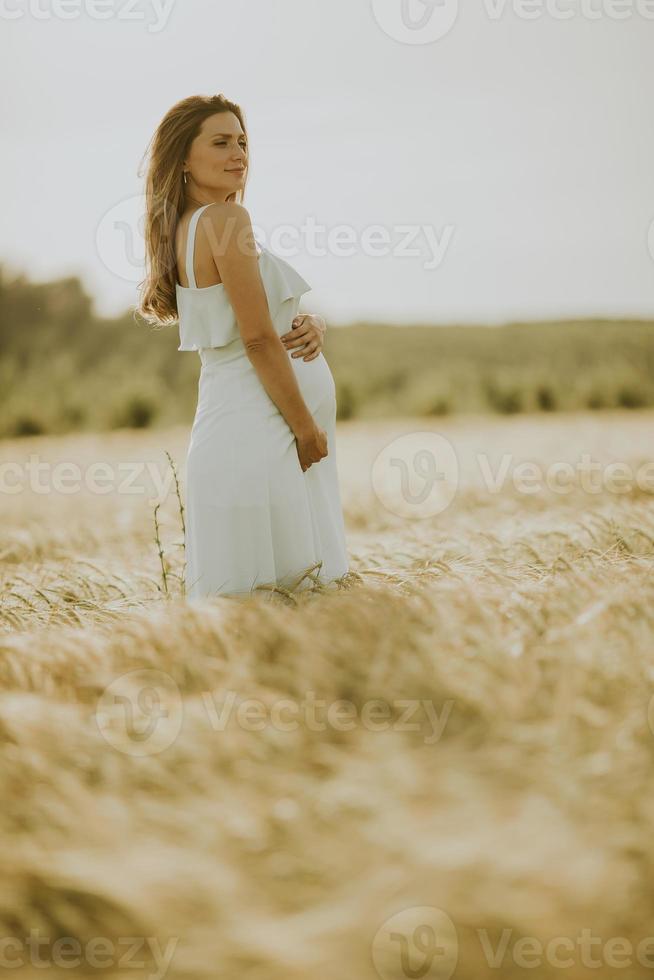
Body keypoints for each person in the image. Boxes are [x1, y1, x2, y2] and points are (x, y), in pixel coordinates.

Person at [137, 93, 350, 600]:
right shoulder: (227, 221)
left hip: (231, 434)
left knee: (249, 611)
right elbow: (255, 339)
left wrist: (308, 322)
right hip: (268, 438)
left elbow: (251, 323)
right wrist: (305, 428)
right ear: (183, 157)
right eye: (220, 142)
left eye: (243, 142)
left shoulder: (186, 228)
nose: (239, 154)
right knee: (298, 601)